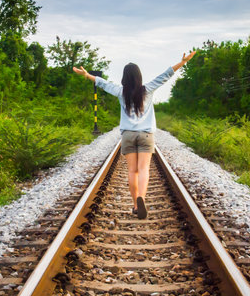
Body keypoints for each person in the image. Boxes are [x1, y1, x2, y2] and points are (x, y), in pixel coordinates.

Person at [73, 51, 196, 219]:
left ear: (124, 77)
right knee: (143, 169)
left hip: (128, 135)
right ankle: (142, 198)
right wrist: (182, 62)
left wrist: (87, 75)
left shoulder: (120, 91)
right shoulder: (148, 89)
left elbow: (103, 83)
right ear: (139, 76)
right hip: (146, 135)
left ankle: (135, 205)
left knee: (132, 171)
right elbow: (165, 75)